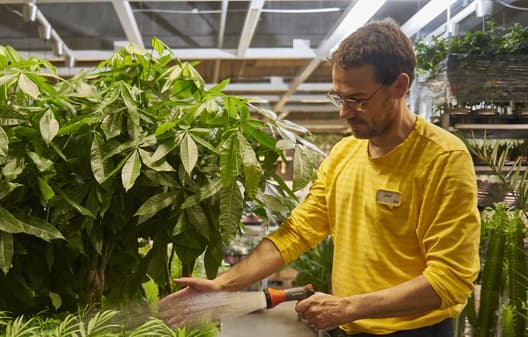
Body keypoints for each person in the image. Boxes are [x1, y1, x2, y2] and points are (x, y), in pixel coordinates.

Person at [159, 18, 480, 337]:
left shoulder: (442, 158)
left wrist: (349, 307)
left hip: (415, 332)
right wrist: (221, 285)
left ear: (399, 87)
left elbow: (449, 280)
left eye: (357, 100)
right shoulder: (344, 154)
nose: (343, 111)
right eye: (339, 97)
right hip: (349, 328)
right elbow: (297, 232)